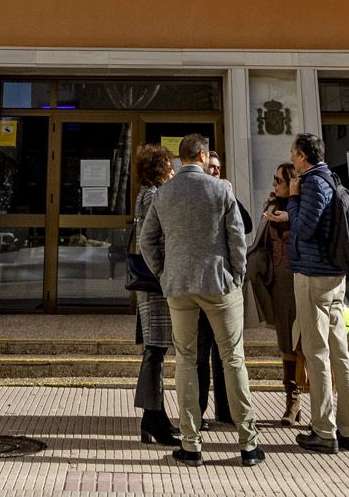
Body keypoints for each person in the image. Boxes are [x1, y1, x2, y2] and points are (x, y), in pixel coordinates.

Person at [138, 134, 264, 468]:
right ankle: (248, 443)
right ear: (203, 156)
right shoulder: (220, 189)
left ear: (180, 159)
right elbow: (237, 237)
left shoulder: (164, 193)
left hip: (179, 286)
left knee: (186, 360)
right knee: (233, 359)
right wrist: (237, 274)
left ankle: (191, 444)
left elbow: (147, 240)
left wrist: (163, 272)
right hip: (219, 283)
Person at [285, 133, 349, 453]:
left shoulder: (313, 183)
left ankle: (323, 430)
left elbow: (304, 229)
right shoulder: (332, 179)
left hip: (314, 275)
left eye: (293, 152)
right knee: (339, 352)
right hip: (333, 277)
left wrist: (293, 198)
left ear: (303, 156)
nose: (291, 157)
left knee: (317, 351)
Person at [193, 148, 251, 429]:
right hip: (199, 285)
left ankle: (226, 409)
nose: (215, 170)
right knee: (200, 351)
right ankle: (198, 411)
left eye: (218, 167)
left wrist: (231, 195)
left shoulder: (224, 194)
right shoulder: (196, 195)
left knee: (224, 351)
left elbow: (245, 225)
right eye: (211, 167)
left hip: (223, 285)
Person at [250, 160, 311, 424]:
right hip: (280, 282)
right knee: (286, 342)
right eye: (274, 179)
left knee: (309, 342)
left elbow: (313, 235)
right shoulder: (271, 206)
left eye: (279, 181)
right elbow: (262, 244)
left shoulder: (305, 207)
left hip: (304, 279)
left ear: (293, 182)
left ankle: (322, 406)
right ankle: (292, 401)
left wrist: (291, 220)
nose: (274, 184)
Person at [129, 143, 176, 445]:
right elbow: (155, 239)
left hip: (151, 282)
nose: (173, 170)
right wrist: (163, 272)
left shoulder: (146, 194)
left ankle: (156, 417)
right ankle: (153, 418)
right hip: (154, 284)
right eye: (169, 165)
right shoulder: (154, 195)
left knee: (155, 350)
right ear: (160, 168)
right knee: (155, 351)